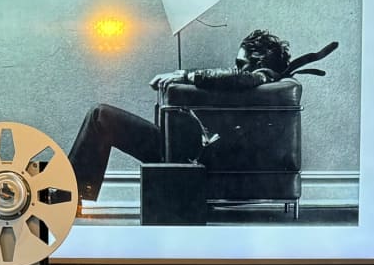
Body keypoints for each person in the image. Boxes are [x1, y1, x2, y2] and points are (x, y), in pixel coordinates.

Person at [69, 29, 296, 203]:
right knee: (100, 116)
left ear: (260, 62)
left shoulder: (262, 77)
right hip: (188, 150)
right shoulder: (264, 86)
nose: (235, 69)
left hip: (185, 156)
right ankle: (72, 193)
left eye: (240, 64)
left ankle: (68, 195)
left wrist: (186, 76)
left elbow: (244, 78)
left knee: (101, 116)